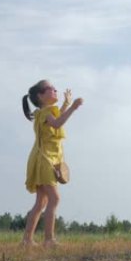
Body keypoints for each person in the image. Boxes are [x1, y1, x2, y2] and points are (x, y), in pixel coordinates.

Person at [21, 80, 83, 248]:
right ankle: (49, 240)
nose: (55, 90)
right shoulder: (45, 112)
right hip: (45, 160)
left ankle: (27, 241)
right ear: (40, 96)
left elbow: (56, 117)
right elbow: (57, 123)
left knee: (41, 202)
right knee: (54, 199)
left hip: (43, 159)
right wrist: (73, 108)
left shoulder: (44, 112)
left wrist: (65, 104)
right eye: (51, 89)